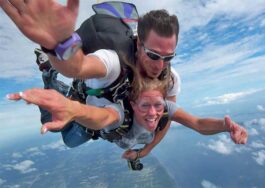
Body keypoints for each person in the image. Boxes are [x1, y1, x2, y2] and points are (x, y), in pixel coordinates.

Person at [1, 0, 181, 157]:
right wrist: (56, 44)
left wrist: (146, 150)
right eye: (153, 55)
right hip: (90, 108)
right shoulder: (114, 61)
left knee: (68, 136)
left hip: (97, 114)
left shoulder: (170, 80)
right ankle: (48, 74)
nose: (160, 65)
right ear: (138, 43)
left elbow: (168, 114)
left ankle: (62, 87)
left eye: (169, 57)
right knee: (66, 136)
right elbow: (78, 67)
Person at [7, 74, 248, 164]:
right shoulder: (119, 112)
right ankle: (52, 82)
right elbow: (101, 117)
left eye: (158, 105)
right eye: (145, 106)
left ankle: (59, 89)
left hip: (116, 136)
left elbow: (196, 123)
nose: (153, 113)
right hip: (90, 126)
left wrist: (224, 127)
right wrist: (73, 110)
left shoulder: (166, 108)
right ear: (133, 104)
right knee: (67, 138)